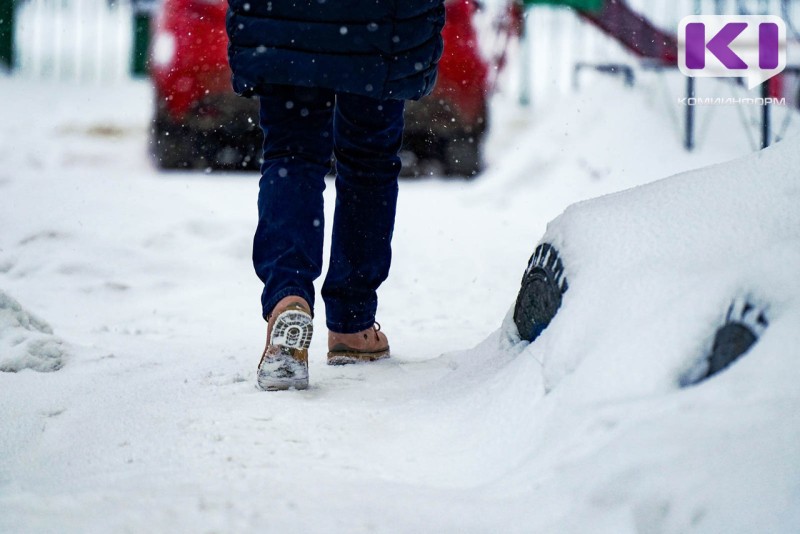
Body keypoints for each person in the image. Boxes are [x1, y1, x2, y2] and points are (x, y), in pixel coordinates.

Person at [226, 1, 446, 390]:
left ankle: (288, 299)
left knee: (291, 155)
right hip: (379, 24)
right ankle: (352, 323)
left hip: (284, 17)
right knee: (369, 160)